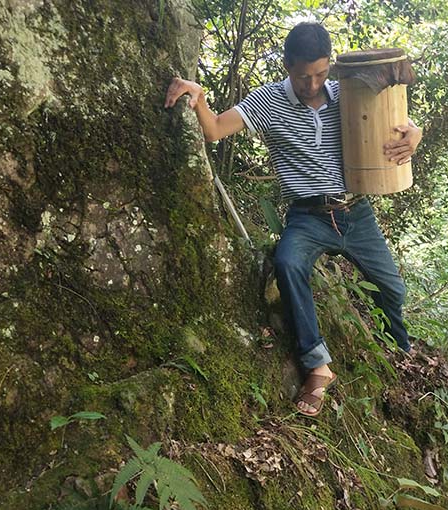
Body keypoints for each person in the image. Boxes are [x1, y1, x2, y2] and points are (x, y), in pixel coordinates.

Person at [165, 22, 422, 417]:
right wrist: (198, 98)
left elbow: (395, 119)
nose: (313, 83)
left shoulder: (347, 95)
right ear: (287, 66)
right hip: (307, 215)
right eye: (304, 76)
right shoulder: (268, 101)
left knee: (392, 288)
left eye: (321, 73)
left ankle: (400, 356)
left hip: (357, 211)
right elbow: (215, 129)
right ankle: (318, 366)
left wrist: (415, 133)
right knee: (287, 263)